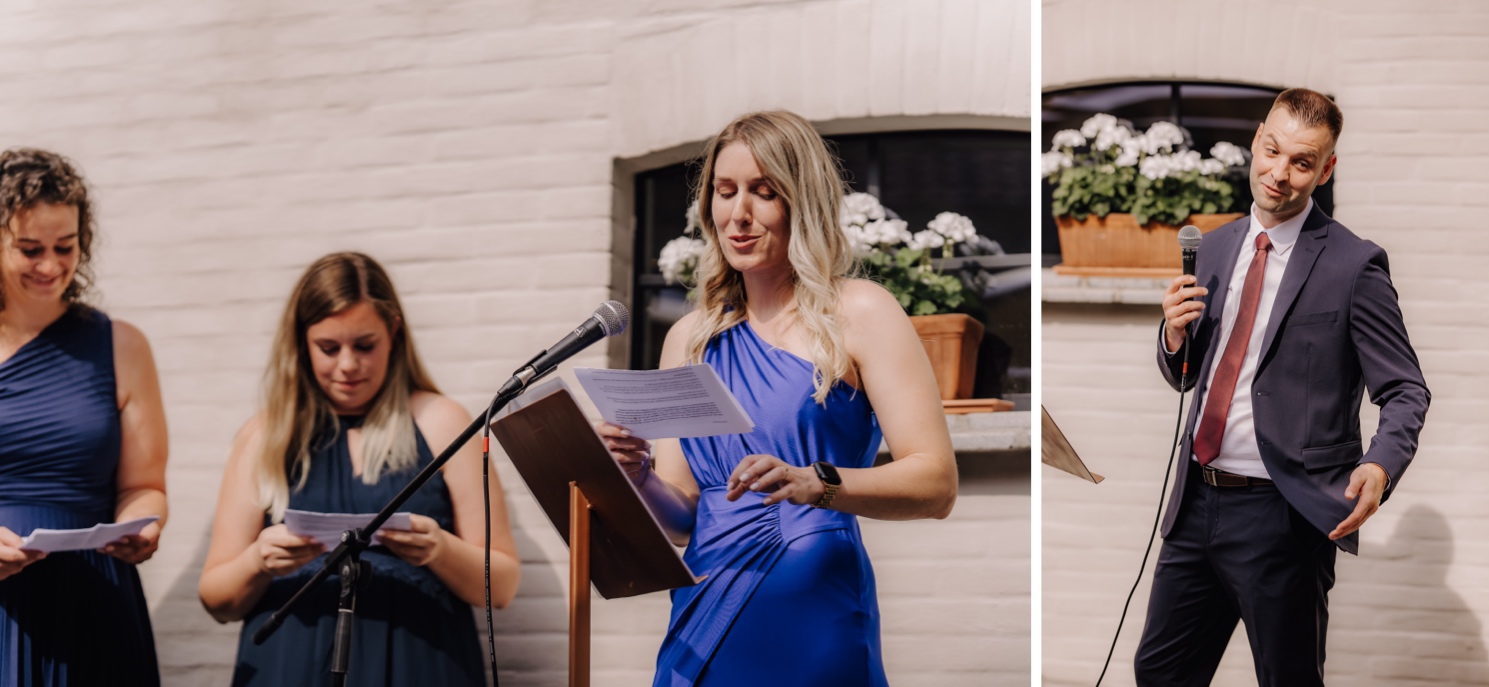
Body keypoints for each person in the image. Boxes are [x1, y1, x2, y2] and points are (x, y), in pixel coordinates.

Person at [598, 110, 959, 687]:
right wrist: (638, 474)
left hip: (817, 619)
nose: (737, 213)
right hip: (705, 611)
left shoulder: (861, 312)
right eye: (724, 191)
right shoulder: (688, 338)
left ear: (802, 201)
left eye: (763, 192)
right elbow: (684, 517)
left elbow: (936, 483)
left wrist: (818, 482)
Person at [1140, 88, 1430, 685]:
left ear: (1326, 170)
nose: (1279, 174)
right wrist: (1172, 337)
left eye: (1302, 162)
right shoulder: (1214, 248)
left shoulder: (1354, 265)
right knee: (1160, 672)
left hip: (1283, 515)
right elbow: (1187, 375)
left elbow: (1405, 389)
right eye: (1272, 152)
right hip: (1194, 504)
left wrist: (1381, 465)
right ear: (1256, 141)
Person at [198, 252, 522, 686]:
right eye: (328, 348)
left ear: (393, 331)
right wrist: (258, 560)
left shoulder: (442, 422)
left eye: (364, 346)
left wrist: (439, 549)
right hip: (289, 663)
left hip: (420, 662)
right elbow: (217, 600)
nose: (347, 365)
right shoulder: (265, 437)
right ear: (300, 342)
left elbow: (501, 586)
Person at [0, 148, 169, 684]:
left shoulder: (121, 345)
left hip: (95, 597)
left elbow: (144, 484)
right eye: (30, 249)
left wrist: (145, 524)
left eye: (65, 247)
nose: (51, 266)